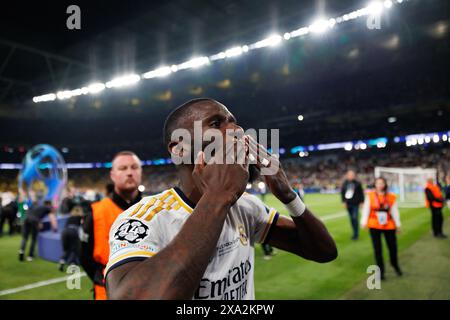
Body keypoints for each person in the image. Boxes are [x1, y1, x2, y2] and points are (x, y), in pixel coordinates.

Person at [105, 98, 337, 300]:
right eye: (216, 124)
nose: (236, 130)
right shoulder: (143, 220)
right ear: (179, 149)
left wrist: (289, 196)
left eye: (233, 122)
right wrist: (218, 197)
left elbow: (323, 251)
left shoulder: (246, 206)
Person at [80, 151, 142, 300]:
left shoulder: (156, 209)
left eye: (134, 167)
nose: (129, 172)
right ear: (113, 175)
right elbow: (84, 257)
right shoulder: (96, 211)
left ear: (140, 172)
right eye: (123, 168)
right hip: (107, 293)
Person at [361, 177, 402, 280]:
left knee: (393, 248)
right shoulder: (369, 196)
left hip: (389, 225)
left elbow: (394, 211)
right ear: (375, 185)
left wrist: (398, 224)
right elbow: (366, 209)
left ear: (385, 184)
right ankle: (381, 272)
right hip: (374, 225)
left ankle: (395, 264)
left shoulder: (391, 196)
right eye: (377, 183)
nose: (379, 185)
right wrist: (364, 222)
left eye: (381, 183)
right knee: (377, 250)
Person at [341, 170, 365, 240]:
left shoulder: (358, 183)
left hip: (356, 204)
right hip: (348, 204)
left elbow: (361, 193)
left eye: (352, 175)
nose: (351, 176)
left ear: (354, 176)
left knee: (355, 218)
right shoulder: (345, 183)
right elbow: (342, 193)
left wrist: (362, 202)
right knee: (351, 219)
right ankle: (354, 232)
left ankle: (356, 234)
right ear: (347, 175)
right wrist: (343, 202)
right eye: (349, 175)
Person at [59, 205, 83, 271]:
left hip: (65, 232)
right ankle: (72, 264)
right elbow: (82, 227)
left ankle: (62, 261)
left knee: (66, 249)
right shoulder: (80, 217)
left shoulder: (70, 217)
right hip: (73, 231)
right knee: (74, 249)